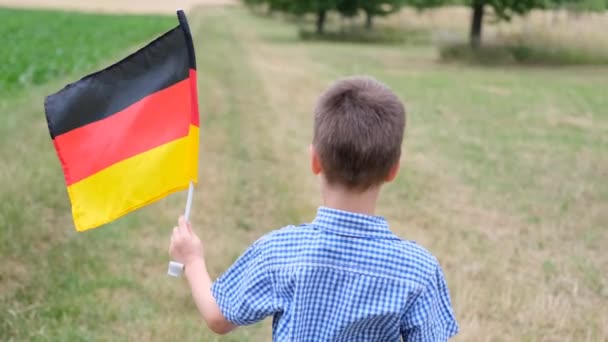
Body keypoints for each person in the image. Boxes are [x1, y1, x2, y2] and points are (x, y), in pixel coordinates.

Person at [169, 76, 459, 341]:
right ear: (393, 170)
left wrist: (193, 261)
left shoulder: (279, 250)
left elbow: (218, 316)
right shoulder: (419, 271)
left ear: (315, 161)